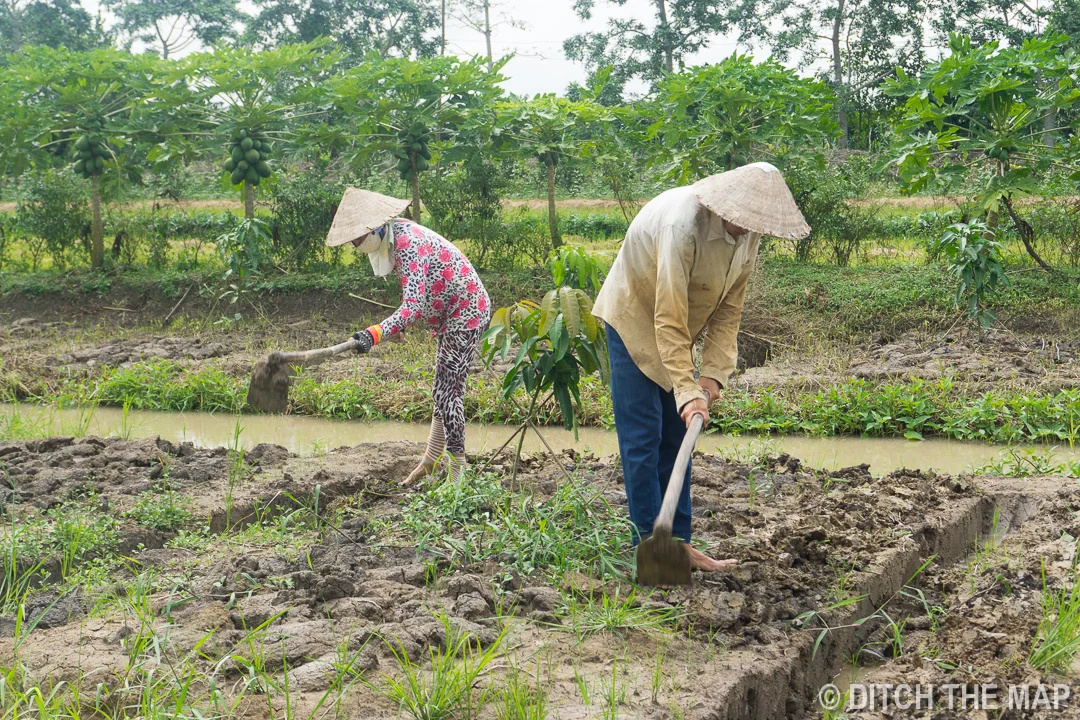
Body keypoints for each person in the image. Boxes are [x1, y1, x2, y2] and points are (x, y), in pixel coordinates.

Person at [592, 163, 810, 572]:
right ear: (726, 206)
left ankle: (680, 544)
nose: (748, 229)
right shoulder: (683, 226)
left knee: (679, 437)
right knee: (644, 438)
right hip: (635, 316)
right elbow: (667, 317)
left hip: (678, 325)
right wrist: (686, 389)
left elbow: (729, 311)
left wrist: (711, 376)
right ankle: (652, 550)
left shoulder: (748, 236)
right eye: (744, 220)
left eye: (756, 225)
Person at [325, 188, 491, 485]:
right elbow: (418, 292)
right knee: (442, 390)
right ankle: (429, 461)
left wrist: (374, 334)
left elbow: (412, 306)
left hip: (466, 312)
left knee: (448, 394)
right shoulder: (394, 239)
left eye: (357, 239)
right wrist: (397, 327)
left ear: (374, 228)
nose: (355, 245)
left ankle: (457, 473)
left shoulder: (408, 241)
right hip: (452, 314)